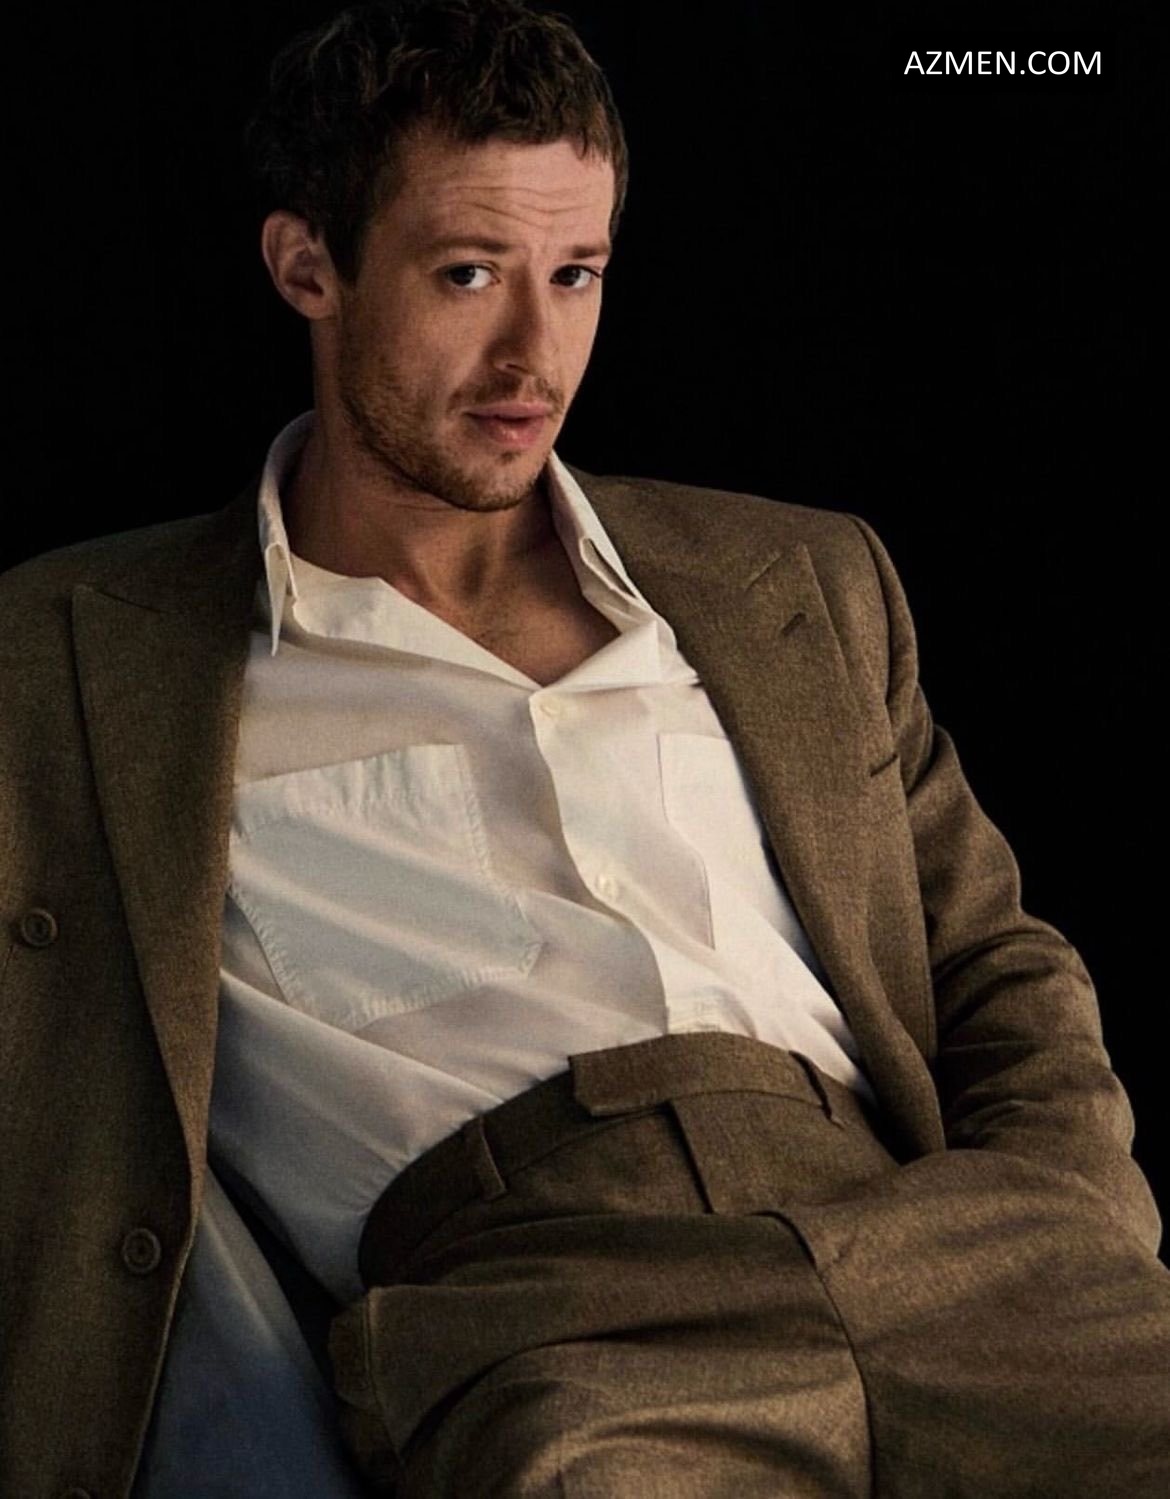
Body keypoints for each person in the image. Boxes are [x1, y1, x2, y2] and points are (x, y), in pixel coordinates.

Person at [2, 2, 1167, 1496]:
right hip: (552, 1314)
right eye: (467, 274)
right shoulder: (71, 662)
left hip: (950, 1255)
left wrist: (1068, 1220)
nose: (532, 353)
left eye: (576, 275)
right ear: (307, 267)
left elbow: (989, 960)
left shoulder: (798, 580)